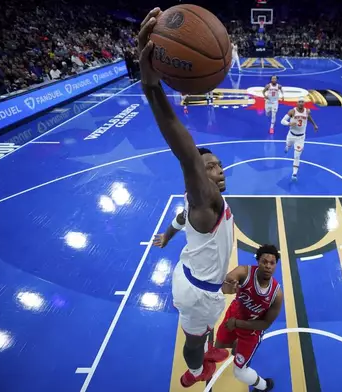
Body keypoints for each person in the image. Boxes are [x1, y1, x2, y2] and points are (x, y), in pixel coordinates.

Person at [140, 8, 233, 387]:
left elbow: (182, 218)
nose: (218, 171)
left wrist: (167, 234)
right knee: (193, 342)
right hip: (198, 295)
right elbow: (187, 153)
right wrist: (151, 87)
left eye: (219, 165)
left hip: (200, 282)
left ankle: (205, 345)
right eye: (209, 167)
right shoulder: (205, 198)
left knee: (205, 328)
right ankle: (195, 370)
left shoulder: (199, 208)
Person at [215, 244, 282, 392]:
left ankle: (264, 386)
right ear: (258, 261)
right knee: (218, 346)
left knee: (239, 372)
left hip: (251, 330)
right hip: (234, 315)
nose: (268, 266)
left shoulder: (276, 295)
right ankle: (235, 345)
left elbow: (264, 324)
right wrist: (228, 286)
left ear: (276, 265)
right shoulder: (244, 272)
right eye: (264, 261)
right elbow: (228, 280)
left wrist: (237, 323)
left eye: (272, 263)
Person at [280, 97, 318, 181]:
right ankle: (287, 147)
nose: (301, 103)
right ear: (297, 103)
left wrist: (314, 125)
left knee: (297, 156)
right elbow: (282, 121)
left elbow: (309, 118)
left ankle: (294, 174)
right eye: (299, 102)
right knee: (288, 145)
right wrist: (289, 123)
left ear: (304, 103)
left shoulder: (307, 111)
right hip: (291, 135)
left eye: (302, 102)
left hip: (301, 137)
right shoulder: (292, 111)